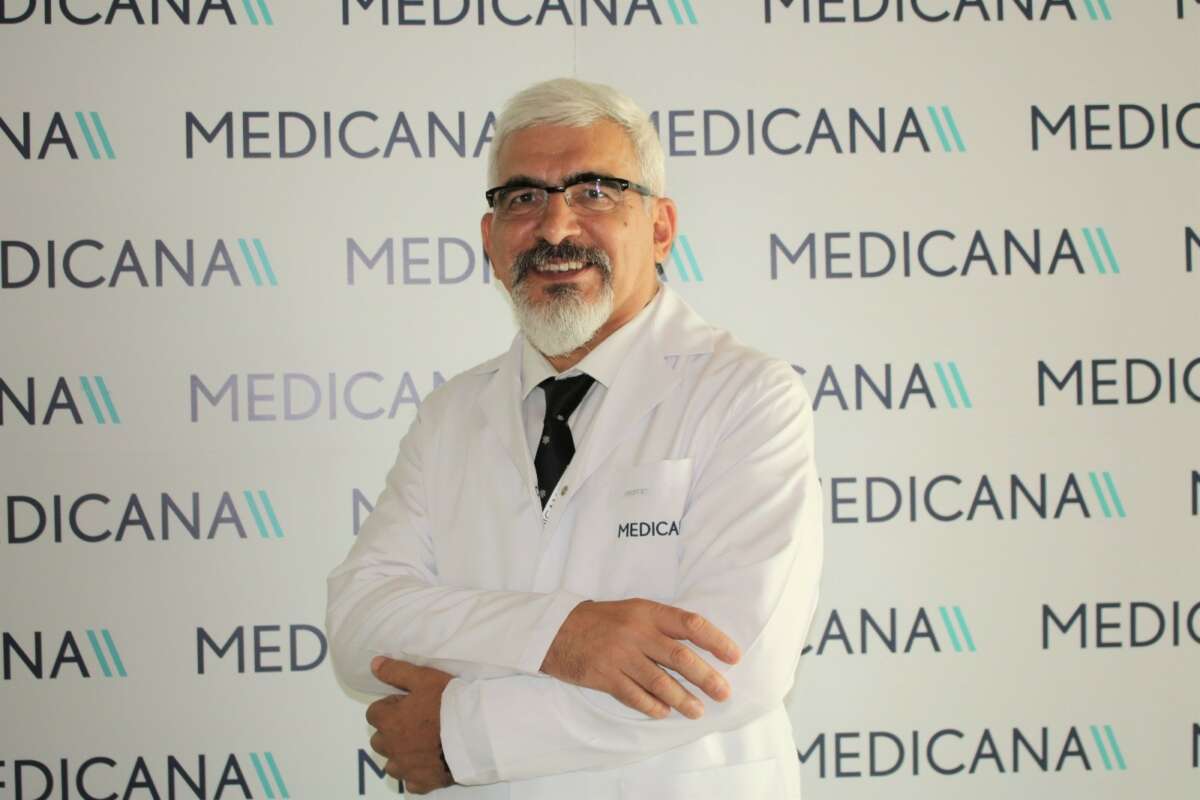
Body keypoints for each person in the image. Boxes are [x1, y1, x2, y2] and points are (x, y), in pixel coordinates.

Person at [325, 77, 824, 798]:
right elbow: (360, 625)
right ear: (490, 239)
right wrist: (564, 635)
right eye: (523, 197)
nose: (556, 228)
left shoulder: (747, 395)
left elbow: (726, 669)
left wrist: (461, 735)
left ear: (660, 227)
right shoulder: (450, 415)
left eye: (595, 191)